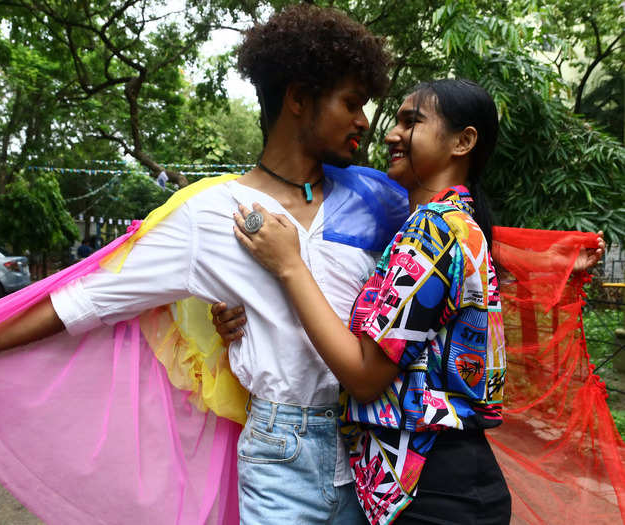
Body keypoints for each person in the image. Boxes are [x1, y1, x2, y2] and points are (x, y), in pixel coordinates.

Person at [0, 5, 401, 523]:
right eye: (352, 103)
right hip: (279, 460)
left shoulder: (376, 200)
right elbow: (84, 302)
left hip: (372, 457)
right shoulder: (208, 216)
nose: (364, 122)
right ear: (298, 98)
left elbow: (436, 258)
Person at [222, 79, 597, 524]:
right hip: (451, 483)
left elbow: (365, 376)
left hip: (434, 492)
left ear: (463, 141)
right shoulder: (456, 224)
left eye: (411, 122)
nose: (390, 134)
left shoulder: (434, 231)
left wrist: (289, 266)